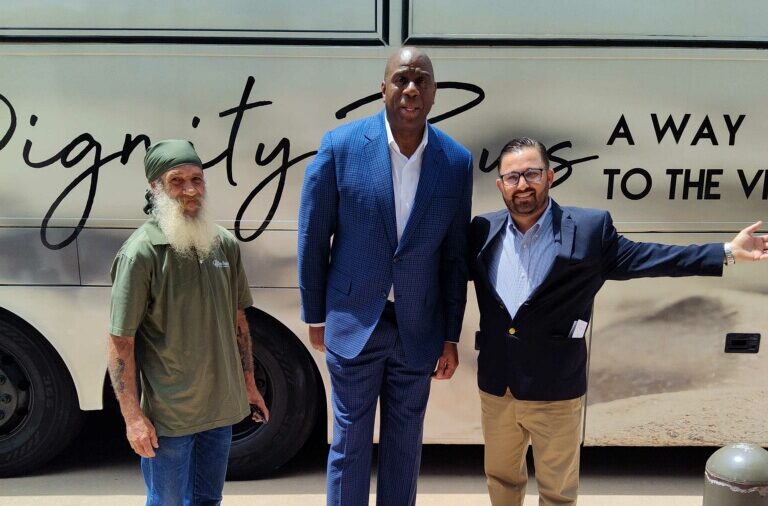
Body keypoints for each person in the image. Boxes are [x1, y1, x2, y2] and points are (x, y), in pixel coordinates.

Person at [470, 136, 768, 506]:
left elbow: (653, 257)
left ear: (550, 176)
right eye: (512, 177)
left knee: (558, 492)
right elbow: (442, 278)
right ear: (500, 185)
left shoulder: (590, 230)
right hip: (498, 388)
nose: (522, 184)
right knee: (501, 481)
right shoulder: (482, 231)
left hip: (556, 389)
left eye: (532, 173)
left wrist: (725, 252)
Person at [297, 47, 473, 505]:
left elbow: (456, 258)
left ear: (434, 93)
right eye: (401, 79)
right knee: (349, 443)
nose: (411, 88)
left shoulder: (455, 162)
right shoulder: (342, 146)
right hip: (354, 321)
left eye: (421, 80)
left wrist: (450, 335)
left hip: (419, 328)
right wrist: (316, 314)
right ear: (383, 88)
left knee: (405, 445)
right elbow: (314, 237)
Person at [107, 139, 269, 506]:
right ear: (155, 188)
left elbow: (238, 320)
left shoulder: (223, 244)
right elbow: (121, 343)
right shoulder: (141, 254)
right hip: (170, 417)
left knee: (208, 500)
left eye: (197, 179)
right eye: (177, 181)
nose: (190, 190)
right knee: (167, 502)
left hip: (220, 409)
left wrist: (248, 384)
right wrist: (133, 418)